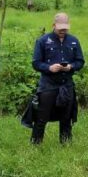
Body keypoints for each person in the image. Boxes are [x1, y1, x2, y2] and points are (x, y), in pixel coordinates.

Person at [31, 12, 85, 145]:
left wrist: (71, 67)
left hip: (67, 84)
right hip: (48, 85)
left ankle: (66, 144)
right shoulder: (43, 41)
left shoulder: (74, 40)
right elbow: (36, 63)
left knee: (66, 117)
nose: (63, 30)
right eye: (60, 28)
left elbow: (80, 61)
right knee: (41, 117)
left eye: (65, 28)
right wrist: (49, 68)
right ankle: (35, 145)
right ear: (53, 25)